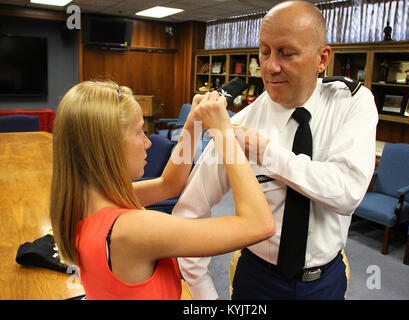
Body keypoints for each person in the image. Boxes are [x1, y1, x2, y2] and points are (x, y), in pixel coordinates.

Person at [173, 0, 378, 300]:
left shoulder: (351, 104)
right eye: (264, 51)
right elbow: (190, 212)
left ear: (322, 59)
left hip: (324, 281)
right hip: (258, 279)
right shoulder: (239, 125)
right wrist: (204, 294)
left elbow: (347, 192)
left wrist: (266, 152)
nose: (269, 66)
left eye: (286, 53)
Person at [50, 80, 274, 300]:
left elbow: (170, 184)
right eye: (140, 132)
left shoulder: (84, 200)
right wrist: (225, 135)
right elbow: (259, 224)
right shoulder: (133, 228)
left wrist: (193, 124)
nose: (148, 143)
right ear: (108, 146)